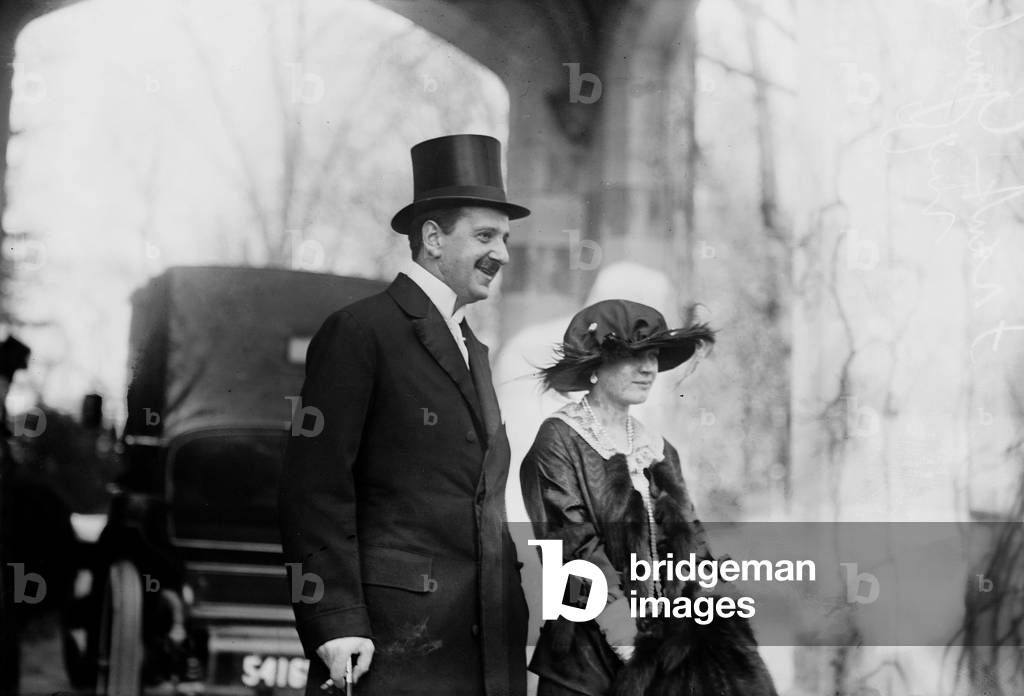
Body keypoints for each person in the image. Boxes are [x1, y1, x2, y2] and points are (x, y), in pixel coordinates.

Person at [279, 134, 530, 696]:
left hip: (484, 649)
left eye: (506, 238)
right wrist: (337, 621)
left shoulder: (474, 350)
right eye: (485, 235)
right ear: (433, 238)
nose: (503, 254)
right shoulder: (362, 331)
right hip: (391, 649)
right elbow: (314, 489)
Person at [521, 300, 777, 696]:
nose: (649, 369)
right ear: (596, 363)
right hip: (587, 666)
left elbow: (695, 553)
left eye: (654, 355)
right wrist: (632, 644)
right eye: (634, 356)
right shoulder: (559, 440)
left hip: (663, 669)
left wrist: (727, 641)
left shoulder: (659, 450)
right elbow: (572, 551)